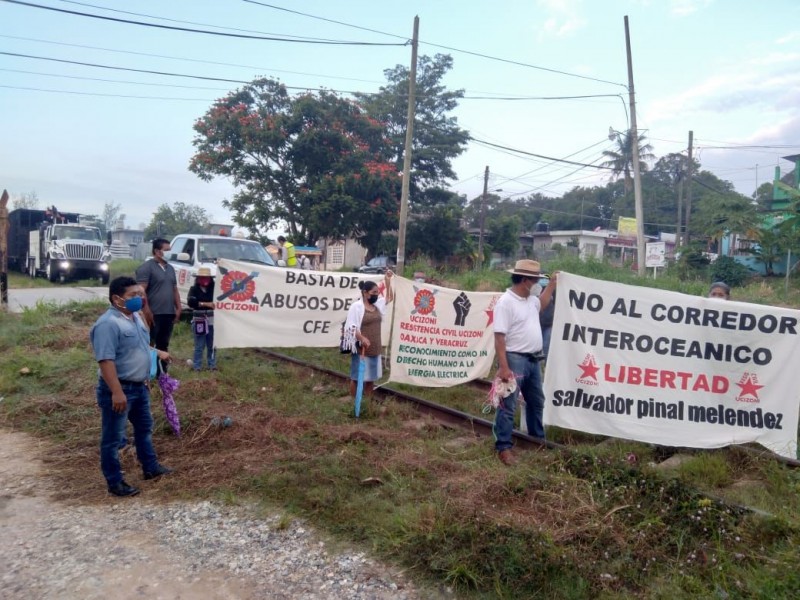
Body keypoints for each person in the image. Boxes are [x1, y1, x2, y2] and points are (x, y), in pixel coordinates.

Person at [90, 276, 173, 497]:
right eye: (133, 296)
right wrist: (116, 392)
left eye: (140, 294)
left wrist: (156, 353)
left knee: (145, 429)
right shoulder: (108, 324)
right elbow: (106, 361)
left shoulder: (135, 317)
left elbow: (139, 346)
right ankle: (115, 482)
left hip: (139, 387)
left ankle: (150, 467)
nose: (139, 298)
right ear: (117, 299)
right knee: (113, 439)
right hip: (119, 389)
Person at [492, 259, 557, 465]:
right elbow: (499, 338)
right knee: (508, 405)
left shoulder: (530, 300)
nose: (539, 283)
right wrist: (504, 367)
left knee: (537, 402)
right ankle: (504, 446)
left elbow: (542, 302)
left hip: (533, 359)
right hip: (514, 359)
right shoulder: (505, 303)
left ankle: (537, 440)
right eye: (536, 279)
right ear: (524, 280)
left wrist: (553, 284)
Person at [342, 270, 394, 403]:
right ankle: (354, 402)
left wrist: (387, 281)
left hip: (375, 347)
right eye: (374, 293)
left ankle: (368, 404)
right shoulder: (357, 307)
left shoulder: (377, 305)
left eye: (377, 293)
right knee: (357, 377)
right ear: (365, 293)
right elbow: (351, 328)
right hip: (361, 349)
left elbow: (389, 298)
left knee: (371, 378)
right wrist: (362, 338)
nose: (376, 295)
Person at [136, 238, 181, 371]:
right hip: (153, 313)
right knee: (150, 343)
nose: (169, 253)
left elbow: (174, 289)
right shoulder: (147, 268)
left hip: (168, 313)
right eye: (166, 250)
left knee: (163, 344)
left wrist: (178, 307)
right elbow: (141, 291)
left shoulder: (171, 268)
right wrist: (147, 310)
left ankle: (162, 373)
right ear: (157, 251)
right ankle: (147, 372)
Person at [187, 267, 216, 371]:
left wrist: (199, 303)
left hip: (212, 319)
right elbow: (191, 302)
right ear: (198, 278)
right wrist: (206, 304)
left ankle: (212, 365)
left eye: (206, 278)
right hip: (199, 319)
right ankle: (197, 366)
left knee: (211, 344)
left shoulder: (214, 289)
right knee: (199, 344)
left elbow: (216, 303)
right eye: (202, 278)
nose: (205, 280)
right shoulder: (193, 289)